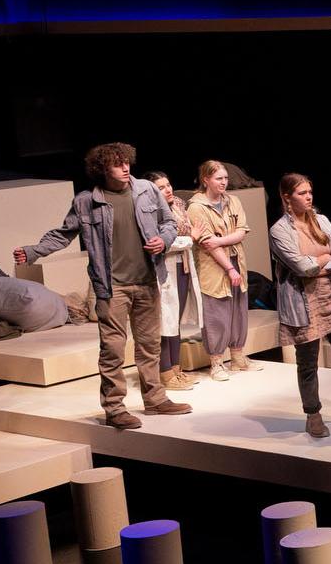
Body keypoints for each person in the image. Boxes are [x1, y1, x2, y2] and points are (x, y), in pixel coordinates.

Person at [15, 142, 192, 429]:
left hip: (147, 281)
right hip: (112, 287)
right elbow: (63, 234)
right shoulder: (87, 201)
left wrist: (164, 240)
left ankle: (156, 399)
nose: (124, 168)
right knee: (112, 349)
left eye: (126, 162)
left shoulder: (146, 190)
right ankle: (114, 408)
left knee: (149, 346)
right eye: (117, 164)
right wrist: (34, 251)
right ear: (102, 168)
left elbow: (168, 223)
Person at [268, 174, 331, 440]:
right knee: (308, 363)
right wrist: (322, 261)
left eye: (309, 191)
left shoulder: (323, 220)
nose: (308, 197)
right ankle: (313, 414)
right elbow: (301, 267)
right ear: (287, 197)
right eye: (302, 193)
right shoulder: (279, 230)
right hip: (303, 303)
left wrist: (319, 263)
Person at [187, 160, 253, 380]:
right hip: (213, 266)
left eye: (225, 178)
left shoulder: (232, 201)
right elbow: (207, 244)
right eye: (219, 178)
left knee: (238, 308)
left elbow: (241, 232)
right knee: (217, 313)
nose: (224, 182)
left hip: (237, 259)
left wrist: (220, 241)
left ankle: (237, 357)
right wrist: (228, 268)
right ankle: (216, 362)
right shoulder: (196, 207)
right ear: (206, 179)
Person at [145, 171, 200, 392]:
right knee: (165, 320)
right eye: (161, 188)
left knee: (175, 321)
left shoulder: (177, 204)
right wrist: (191, 239)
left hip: (183, 265)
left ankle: (176, 370)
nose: (167, 190)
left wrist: (187, 240)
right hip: (165, 266)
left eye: (168, 185)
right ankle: (165, 373)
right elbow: (165, 242)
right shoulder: (150, 211)